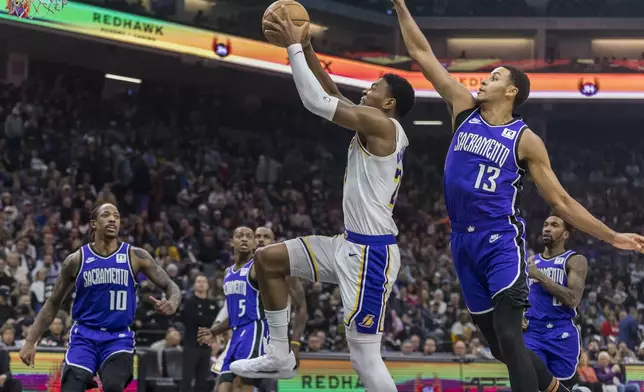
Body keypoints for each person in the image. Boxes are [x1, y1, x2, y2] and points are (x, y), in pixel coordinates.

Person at [391, 1, 644, 391]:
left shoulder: (525, 139)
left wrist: (613, 237)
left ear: (510, 90)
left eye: (493, 77)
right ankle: (558, 388)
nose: (483, 81)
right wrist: (400, 5)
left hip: (499, 240)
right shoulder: (463, 109)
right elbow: (421, 53)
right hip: (461, 241)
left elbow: (561, 201)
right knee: (499, 347)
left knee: (511, 336)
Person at [231, 7, 415, 391]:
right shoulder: (375, 123)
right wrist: (309, 49)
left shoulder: (382, 126)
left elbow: (317, 102)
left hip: (371, 255)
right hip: (347, 245)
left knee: (364, 358)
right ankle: (280, 354)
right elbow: (332, 93)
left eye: (375, 88)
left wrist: (294, 49)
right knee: (268, 260)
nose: (366, 90)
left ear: (388, 103)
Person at [18, 203, 181, 392]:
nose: (113, 219)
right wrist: (30, 342)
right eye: (106, 215)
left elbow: (171, 285)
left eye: (116, 216)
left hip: (117, 337)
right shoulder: (76, 260)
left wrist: (173, 302)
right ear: (94, 224)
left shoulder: (135, 256)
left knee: (113, 386)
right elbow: (53, 303)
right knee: (71, 388)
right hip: (84, 336)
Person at [524, 214, 587, 389]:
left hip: (561, 332)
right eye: (545, 225)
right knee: (530, 380)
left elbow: (573, 299)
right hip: (532, 331)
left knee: (560, 385)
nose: (547, 228)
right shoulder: (529, 262)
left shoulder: (575, 260)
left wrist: (540, 276)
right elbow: (518, 295)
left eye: (554, 225)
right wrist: (517, 315)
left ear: (565, 234)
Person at [178, 274, 219, 392]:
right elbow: (193, 320)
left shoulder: (213, 303)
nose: (201, 283)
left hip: (206, 346)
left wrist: (205, 320)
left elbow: (216, 321)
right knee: (187, 378)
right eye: (198, 281)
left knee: (202, 380)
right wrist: (207, 320)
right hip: (191, 344)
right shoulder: (189, 302)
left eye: (203, 281)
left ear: (207, 285)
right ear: (194, 285)